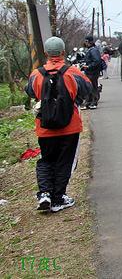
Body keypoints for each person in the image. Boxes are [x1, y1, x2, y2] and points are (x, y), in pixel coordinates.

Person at [25, 36, 92, 213]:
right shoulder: (72, 72)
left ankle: (45, 193)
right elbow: (87, 87)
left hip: (45, 126)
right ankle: (58, 199)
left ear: (46, 53)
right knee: (65, 162)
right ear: (63, 52)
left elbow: (29, 91)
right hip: (69, 126)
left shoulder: (37, 74)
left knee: (46, 159)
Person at [81, 35, 103, 110]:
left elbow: (97, 61)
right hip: (90, 71)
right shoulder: (91, 50)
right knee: (88, 87)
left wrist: (89, 66)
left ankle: (93, 103)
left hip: (92, 72)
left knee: (93, 87)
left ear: (87, 42)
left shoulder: (93, 50)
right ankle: (88, 103)